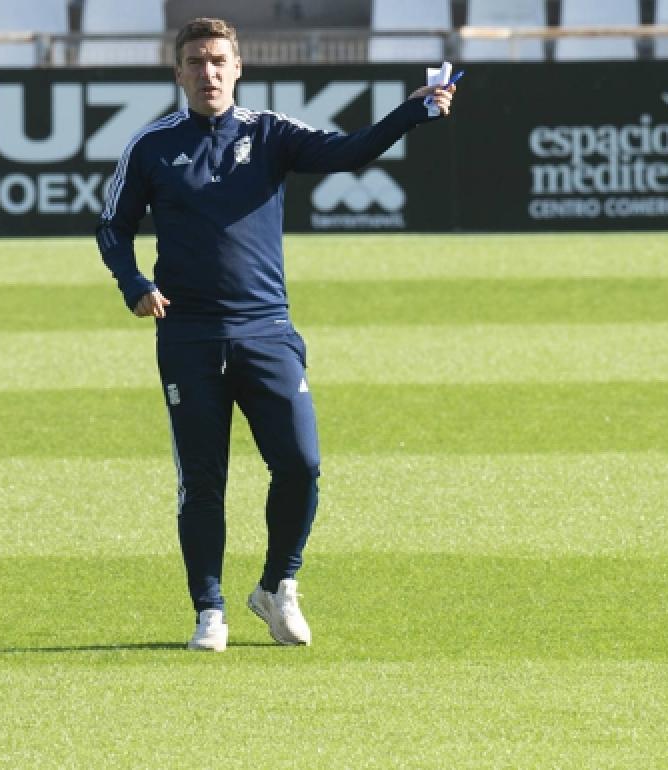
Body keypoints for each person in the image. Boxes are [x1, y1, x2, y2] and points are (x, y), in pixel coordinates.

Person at [96, 18, 456, 652]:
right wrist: (133, 283)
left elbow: (350, 151)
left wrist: (413, 112)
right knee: (202, 480)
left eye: (218, 60)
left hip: (266, 331)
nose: (207, 71)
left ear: (238, 68)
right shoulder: (151, 146)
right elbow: (112, 228)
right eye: (195, 61)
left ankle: (276, 586)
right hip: (189, 336)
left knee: (301, 464)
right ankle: (209, 610)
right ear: (177, 72)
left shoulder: (271, 134)